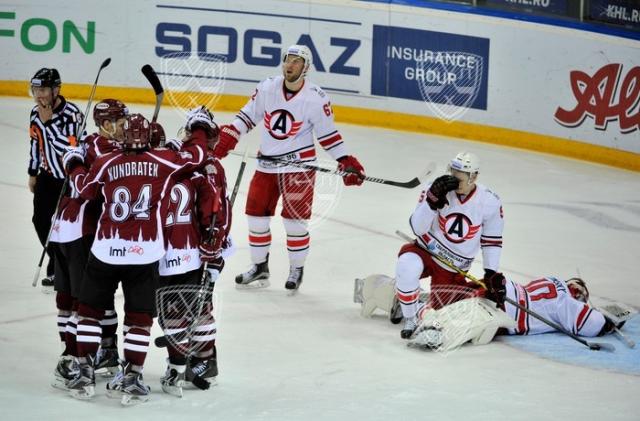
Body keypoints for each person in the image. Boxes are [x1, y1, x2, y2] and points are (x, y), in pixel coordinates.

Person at [62, 113, 205, 405]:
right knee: (139, 319)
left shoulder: (106, 162)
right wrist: (196, 131)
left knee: (89, 311)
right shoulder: (165, 161)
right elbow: (198, 155)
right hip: (145, 253)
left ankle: (84, 371)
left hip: (105, 250)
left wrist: (74, 161)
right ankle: (132, 376)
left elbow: (84, 189)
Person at [213, 44, 365, 292]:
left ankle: (296, 269)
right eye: (288, 60)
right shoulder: (267, 87)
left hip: (299, 168)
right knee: (255, 217)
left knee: (295, 223)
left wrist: (345, 159)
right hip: (266, 165)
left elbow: (328, 135)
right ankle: (260, 267)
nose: (290, 65)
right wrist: (230, 135)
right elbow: (247, 116)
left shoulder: (316, 98)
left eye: (297, 61)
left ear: (306, 68)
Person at [50, 99, 128, 391]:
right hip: (79, 230)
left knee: (81, 299)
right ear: (106, 125)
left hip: (73, 228)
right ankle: (71, 355)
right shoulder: (99, 148)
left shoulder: (94, 145)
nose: (126, 127)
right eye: (121, 123)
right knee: (78, 300)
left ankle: (100, 352)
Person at [355, 275, 628, 351]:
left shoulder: (551, 281)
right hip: (507, 312)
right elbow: (592, 324)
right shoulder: (569, 302)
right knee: (455, 318)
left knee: (450, 298)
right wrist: (609, 322)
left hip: (501, 289)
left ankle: (397, 295)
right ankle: (427, 323)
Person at [156, 106, 227, 397]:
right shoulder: (184, 163)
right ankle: (195, 358)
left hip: (199, 250)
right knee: (188, 307)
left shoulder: (209, 167)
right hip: (186, 249)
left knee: (196, 307)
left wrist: (214, 247)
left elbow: (218, 213)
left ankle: (204, 361)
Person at [395, 152, 504, 338]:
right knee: (407, 266)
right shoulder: (435, 189)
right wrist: (431, 202)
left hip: (452, 268)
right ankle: (410, 317)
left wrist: (490, 272)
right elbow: (417, 228)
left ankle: (410, 300)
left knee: (444, 315)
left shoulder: (489, 201)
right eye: (452, 173)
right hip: (424, 251)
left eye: (460, 177)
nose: (454, 180)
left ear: (474, 177)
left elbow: (491, 240)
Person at [28, 68, 85, 291]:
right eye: (35, 90)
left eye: (42, 89)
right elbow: (35, 144)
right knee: (40, 221)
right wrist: (32, 173)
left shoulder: (72, 114)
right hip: (47, 177)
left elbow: (69, 148)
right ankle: (56, 260)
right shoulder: (35, 113)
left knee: (64, 228)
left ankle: (59, 270)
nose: (39, 95)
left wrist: (50, 122)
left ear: (55, 90)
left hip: (69, 180)